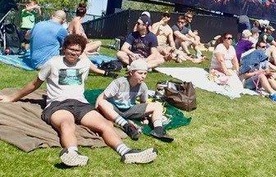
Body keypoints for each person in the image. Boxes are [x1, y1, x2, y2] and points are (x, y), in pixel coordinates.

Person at [0, 34, 157, 167]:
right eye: (71, 50)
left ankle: (127, 152)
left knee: (104, 124)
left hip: (81, 104)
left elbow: (88, 70)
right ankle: (72, 153)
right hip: (58, 104)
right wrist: (12, 97)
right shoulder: (53, 63)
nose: (74, 54)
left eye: (77, 51)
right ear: (64, 48)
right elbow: (34, 84)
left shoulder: (84, 63)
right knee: (66, 124)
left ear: (82, 52)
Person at [96, 59, 173, 142]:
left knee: (157, 105)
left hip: (130, 110)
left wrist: (144, 117)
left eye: (145, 73)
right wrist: (96, 111)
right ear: (131, 73)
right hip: (114, 110)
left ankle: (158, 130)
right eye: (140, 73)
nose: (143, 76)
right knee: (102, 103)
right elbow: (101, 97)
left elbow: (143, 103)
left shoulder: (143, 86)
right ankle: (127, 126)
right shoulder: (119, 83)